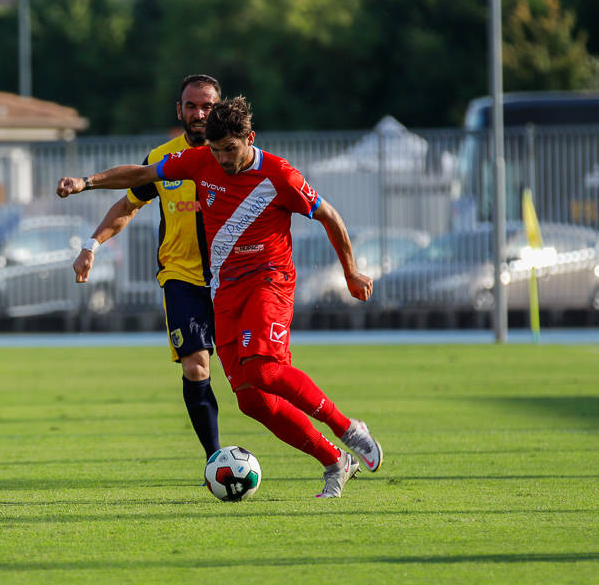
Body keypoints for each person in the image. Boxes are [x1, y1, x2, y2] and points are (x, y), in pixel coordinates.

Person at [58, 97, 383, 498]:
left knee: (263, 370)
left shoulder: (280, 174)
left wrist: (350, 270)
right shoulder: (199, 163)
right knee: (251, 401)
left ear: (250, 138)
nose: (223, 159)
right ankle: (334, 460)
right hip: (224, 288)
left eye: (230, 149)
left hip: (270, 280)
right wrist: (85, 182)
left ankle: (348, 428)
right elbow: (141, 175)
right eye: (215, 151)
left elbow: (329, 215)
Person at [73, 74, 222, 460]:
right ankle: (216, 461)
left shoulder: (235, 156)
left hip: (233, 278)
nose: (199, 113)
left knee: (254, 380)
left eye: (207, 106)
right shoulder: (162, 159)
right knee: (196, 370)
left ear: (220, 110)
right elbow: (127, 205)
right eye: (191, 106)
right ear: (179, 110)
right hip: (182, 277)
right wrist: (92, 245)